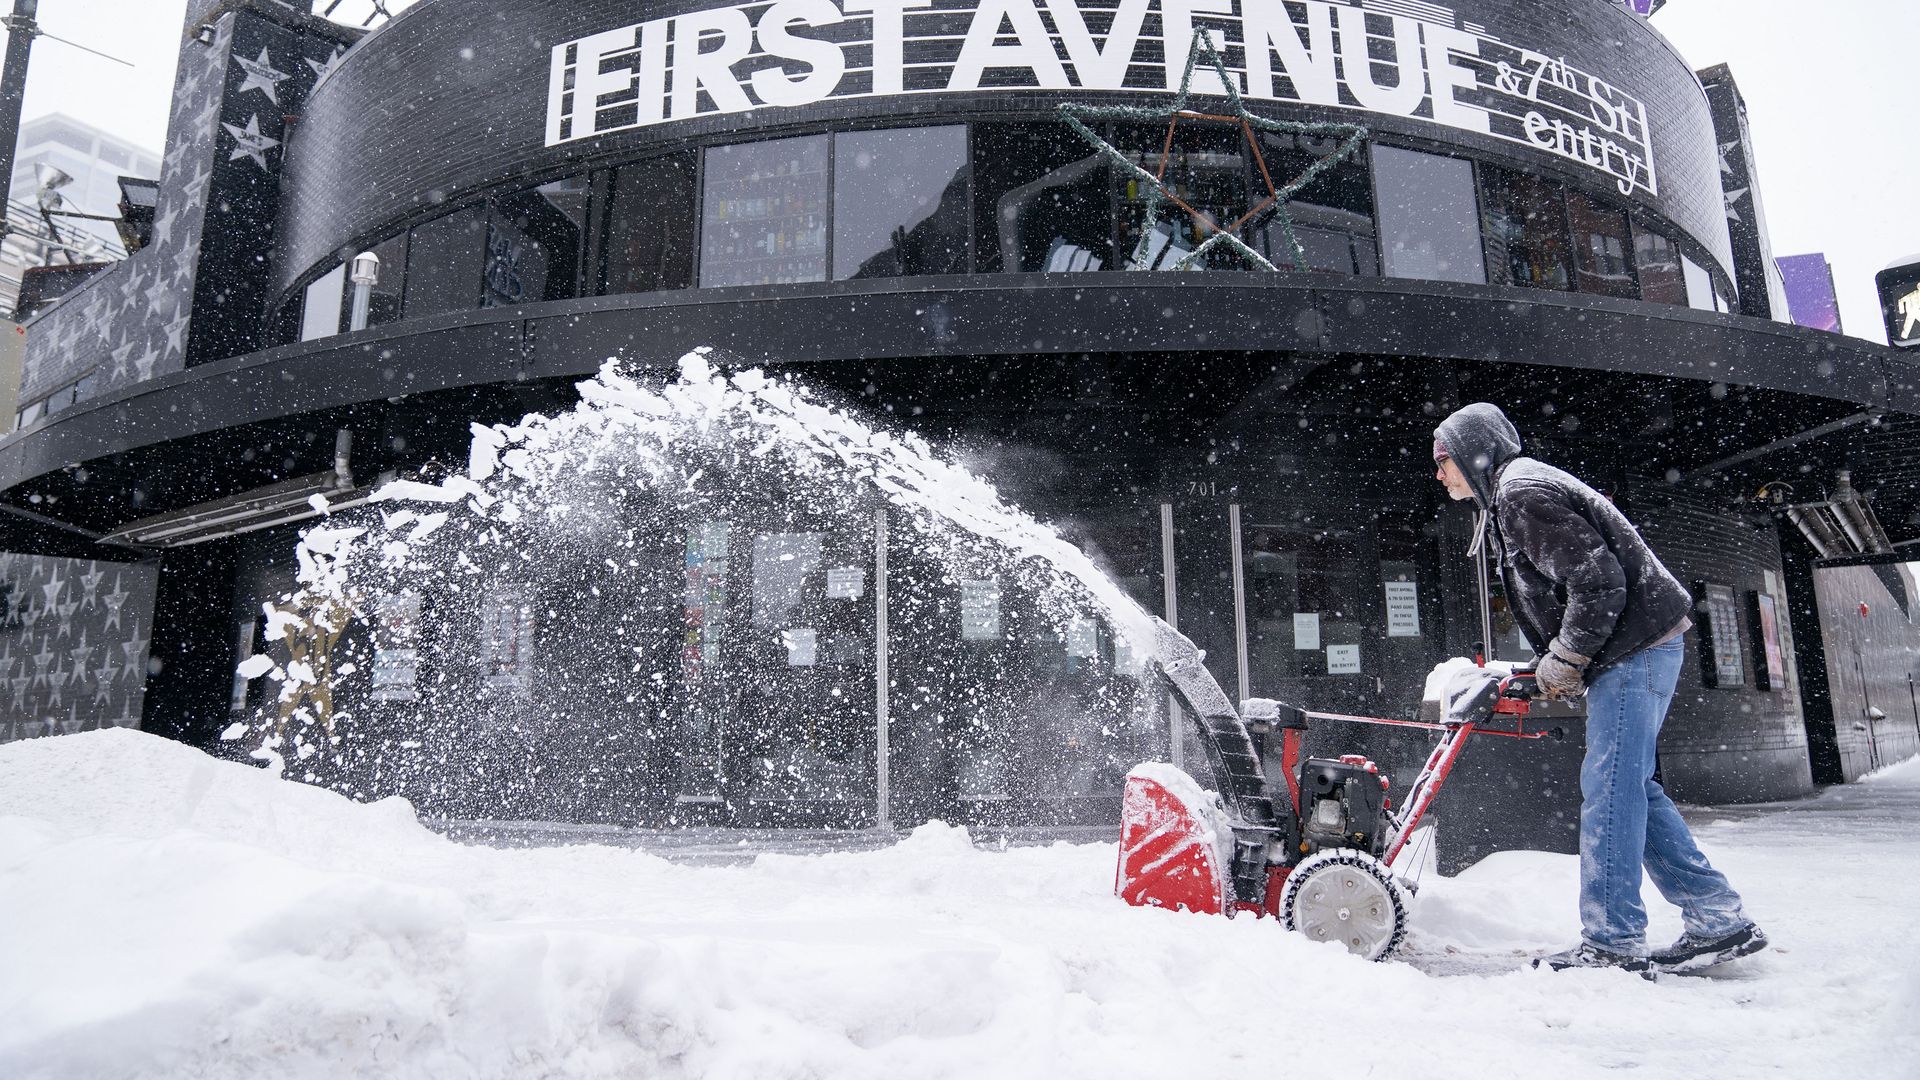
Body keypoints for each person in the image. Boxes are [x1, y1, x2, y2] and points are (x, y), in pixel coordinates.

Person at [1432, 402, 1767, 977]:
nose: (1438, 474)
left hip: (1633, 650)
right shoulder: (1517, 490)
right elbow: (1576, 586)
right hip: (1639, 646)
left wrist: (1569, 655)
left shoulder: (1519, 494)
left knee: (1610, 789)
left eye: (1443, 460)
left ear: (1473, 453)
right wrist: (1551, 658)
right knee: (1630, 787)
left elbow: (1596, 580)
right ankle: (1716, 917)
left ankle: (1612, 940)